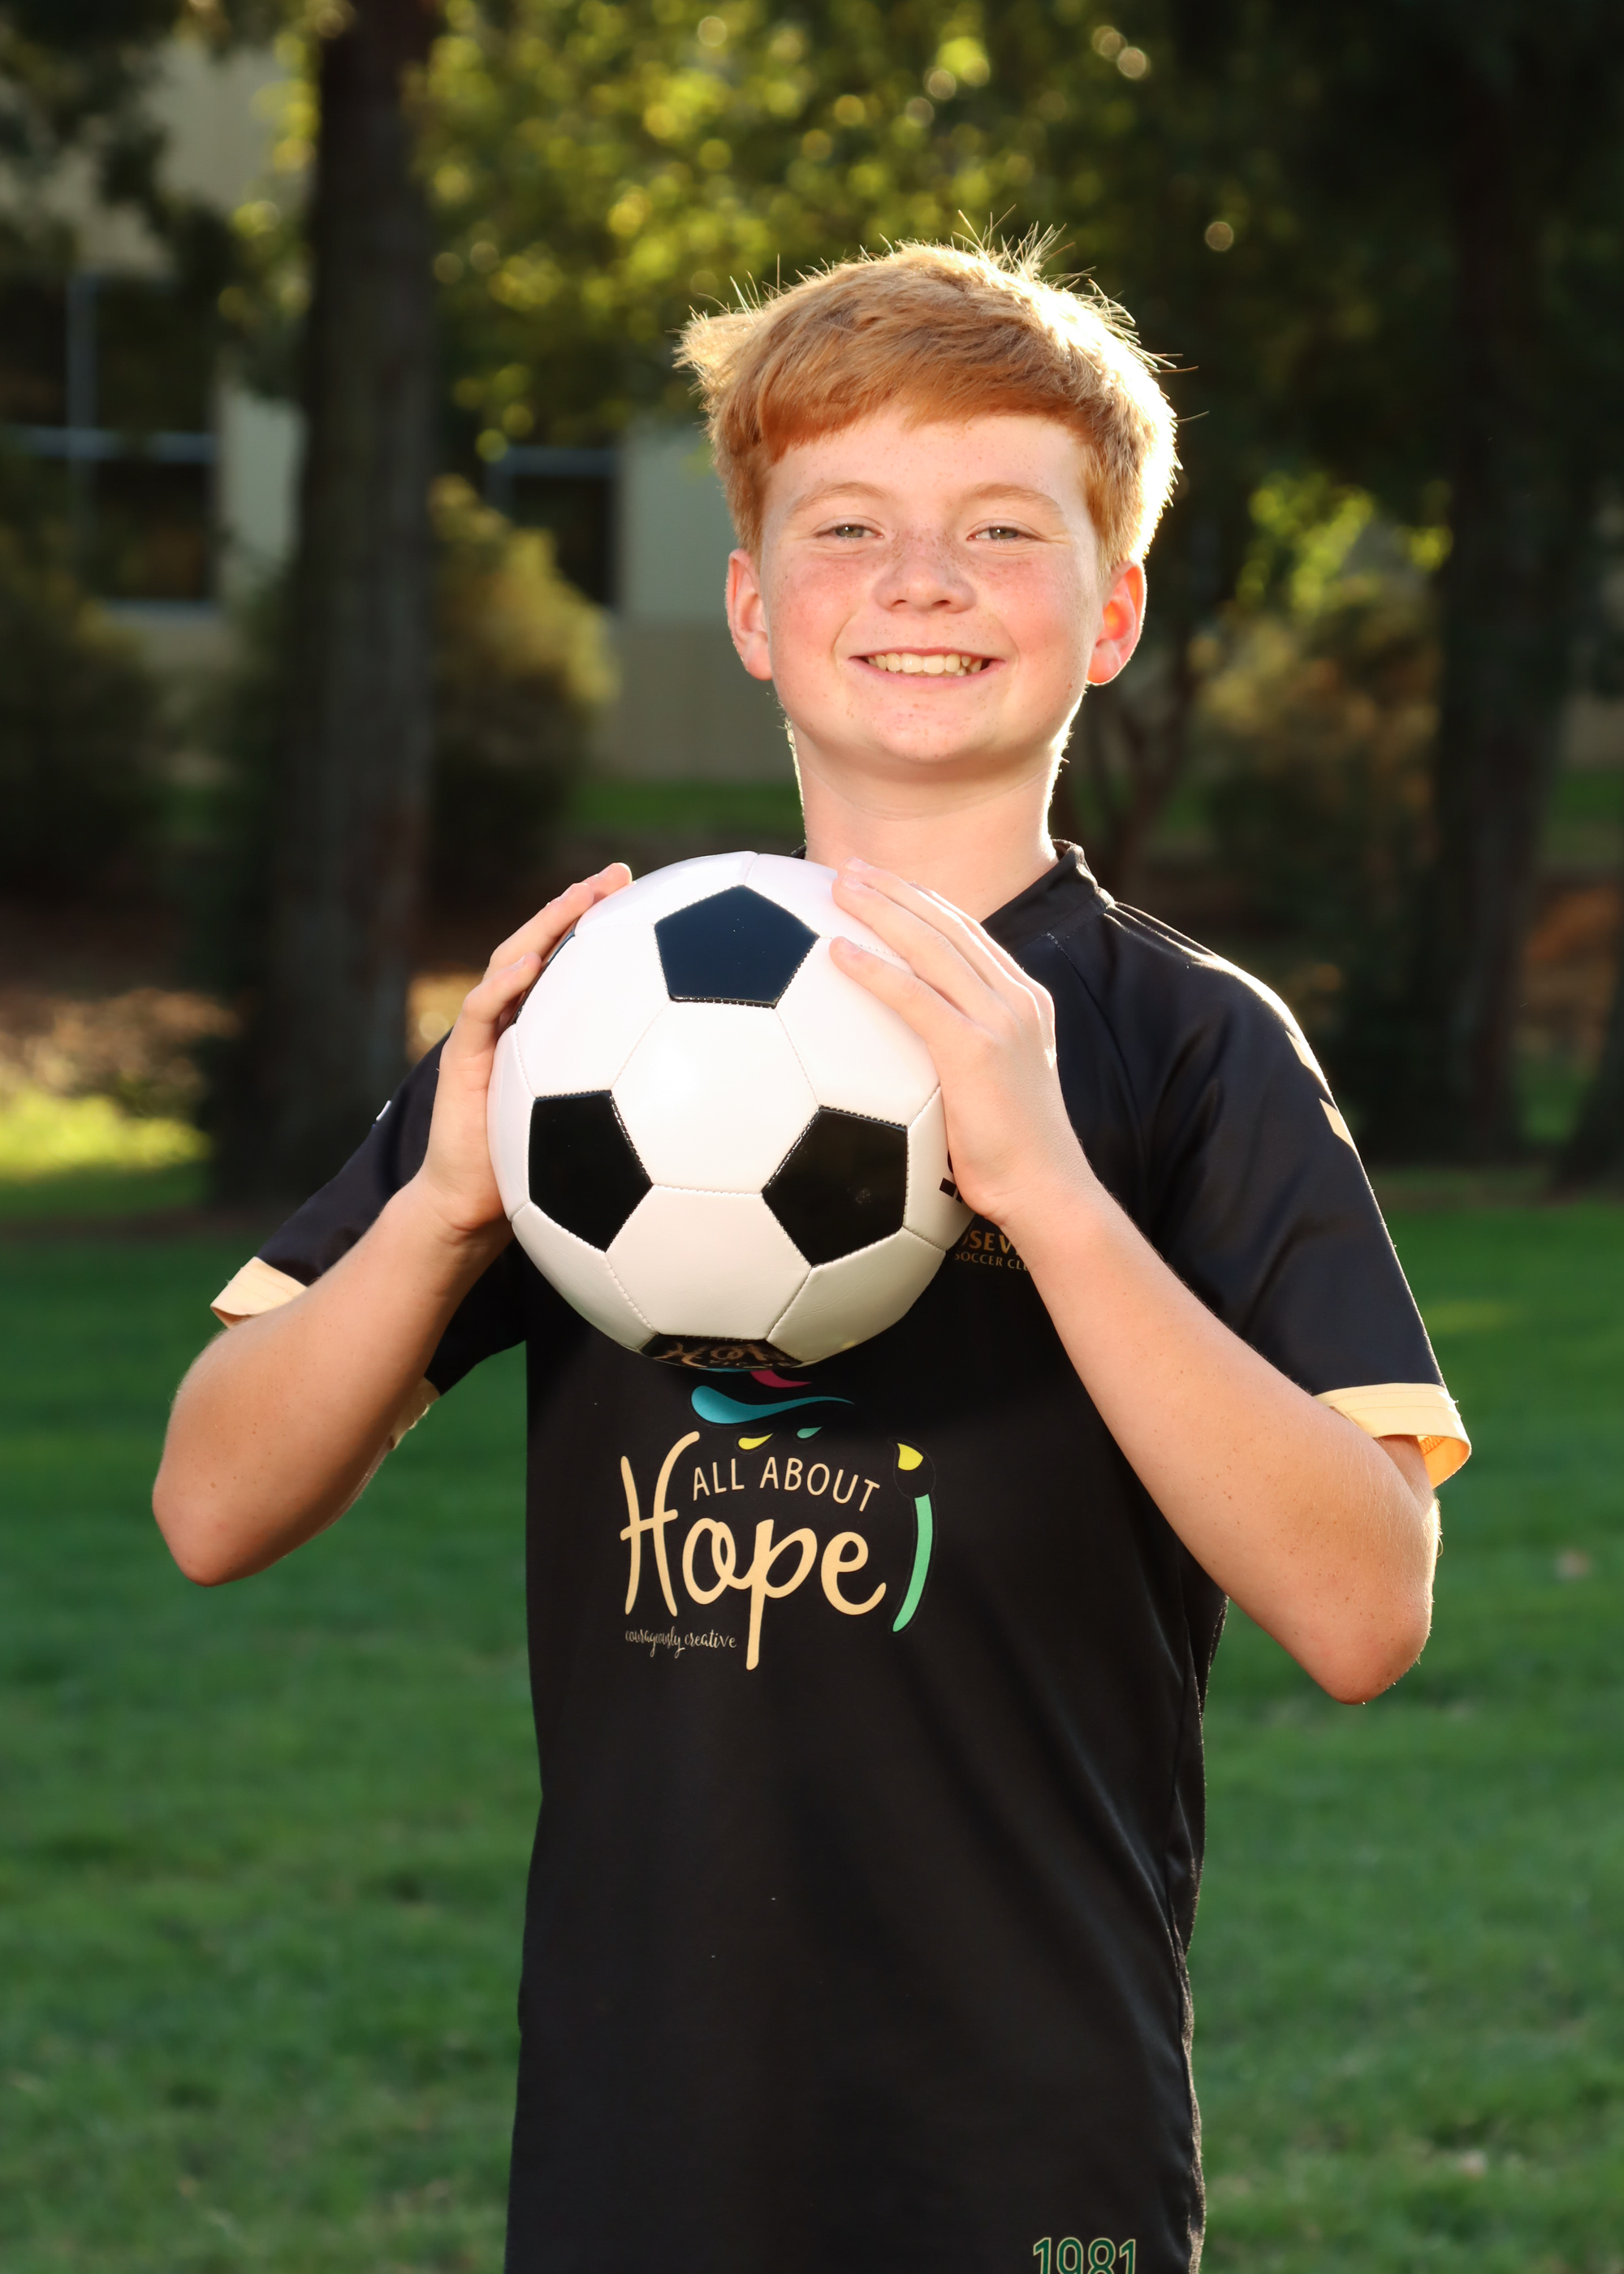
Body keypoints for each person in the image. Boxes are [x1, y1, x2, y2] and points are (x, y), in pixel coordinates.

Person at [153, 242, 1468, 2272]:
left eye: (1001, 530)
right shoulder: (588, 1023)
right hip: (641, 2139)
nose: (921, 579)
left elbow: (1367, 1605)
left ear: (1111, 613)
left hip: (1030, 2138)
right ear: (756, 609)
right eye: (846, 526)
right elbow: (210, 1503)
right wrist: (443, 1203)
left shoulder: (1187, 1047)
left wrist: (1055, 1197)